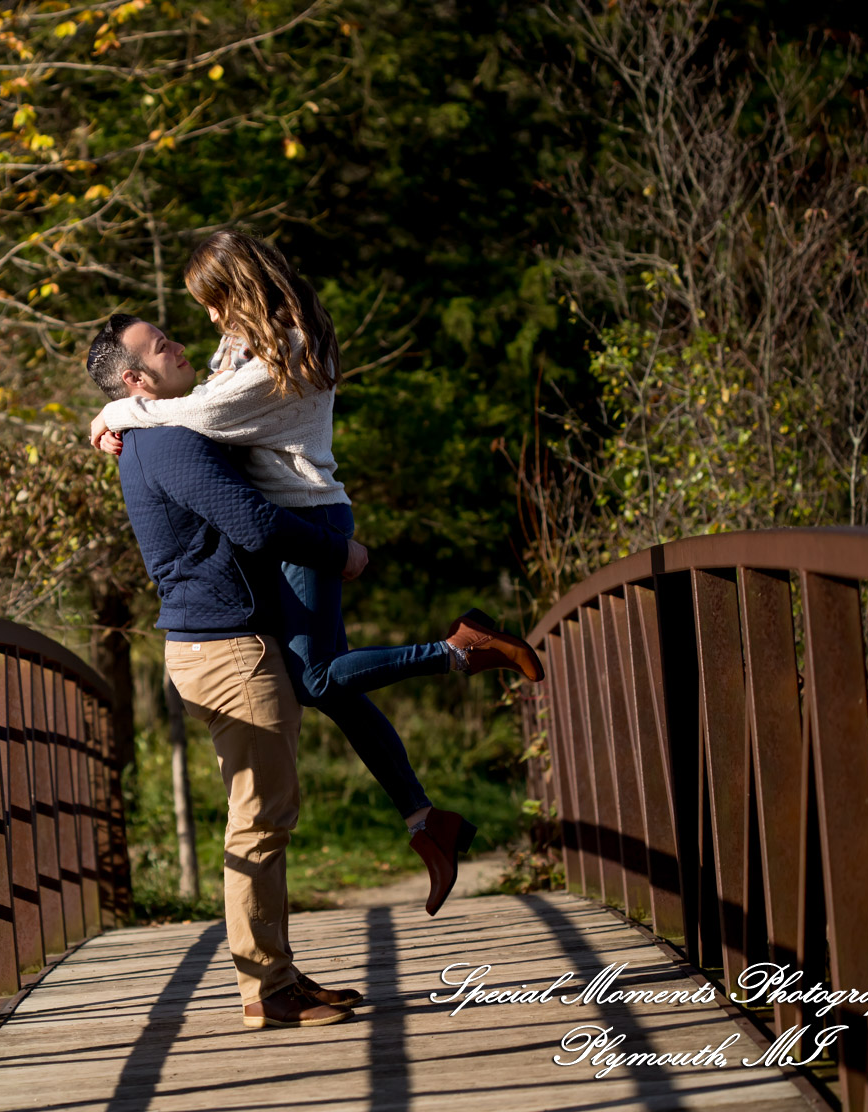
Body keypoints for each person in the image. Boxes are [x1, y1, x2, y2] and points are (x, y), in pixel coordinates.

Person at [86, 231, 545, 915]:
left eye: (213, 303)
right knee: (328, 683)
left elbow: (204, 414)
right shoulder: (247, 345)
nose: (207, 321)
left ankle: (457, 652)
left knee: (315, 678)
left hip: (308, 523)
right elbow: (202, 404)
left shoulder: (290, 350)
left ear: (239, 288)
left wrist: (116, 410)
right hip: (298, 524)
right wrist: (126, 407)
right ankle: (425, 821)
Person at [86, 313, 367, 1029]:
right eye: (160, 347)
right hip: (227, 649)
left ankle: (279, 974)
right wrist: (342, 555)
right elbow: (255, 523)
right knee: (260, 817)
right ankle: (265, 992)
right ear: (135, 379)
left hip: (224, 643)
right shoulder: (169, 442)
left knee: (265, 811)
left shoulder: (163, 430)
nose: (177, 345)